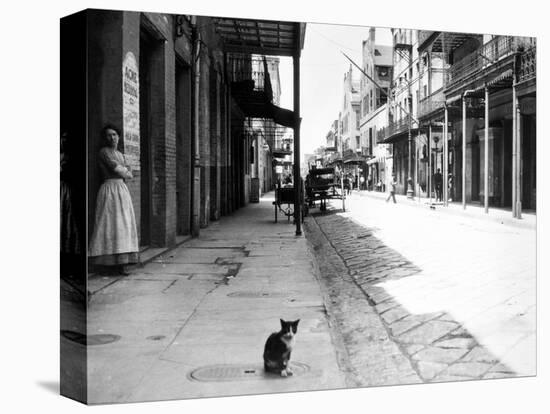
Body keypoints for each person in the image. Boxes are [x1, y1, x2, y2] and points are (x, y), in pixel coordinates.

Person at [89, 124, 139, 275]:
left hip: (122, 190)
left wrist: (127, 172)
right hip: (109, 190)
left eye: (115, 134)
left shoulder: (120, 154)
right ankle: (106, 264)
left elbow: (130, 172)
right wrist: (126, 172)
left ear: (119, 136)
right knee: (109, 224)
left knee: (123, 225)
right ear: (105, 138)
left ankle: (121, 263)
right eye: (109, 135)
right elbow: (117, 169)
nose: (112, 138)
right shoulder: (104, 152)